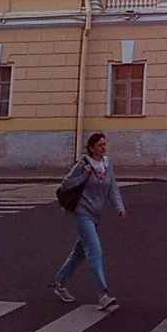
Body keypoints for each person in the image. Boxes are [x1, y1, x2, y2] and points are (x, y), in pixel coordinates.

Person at [52, 132, 126, 310]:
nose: (103, 148)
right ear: (91, 148)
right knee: (94, 250)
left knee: (79, 253)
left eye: (104, 144)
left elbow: (113, 188)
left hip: (96, 215)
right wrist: (84, 176)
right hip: (82, 213)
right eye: (100, 145)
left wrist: (119, 208)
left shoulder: (107, 164)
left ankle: (60, 283)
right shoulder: (83, 164)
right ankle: (103, 294)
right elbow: (66, 184)